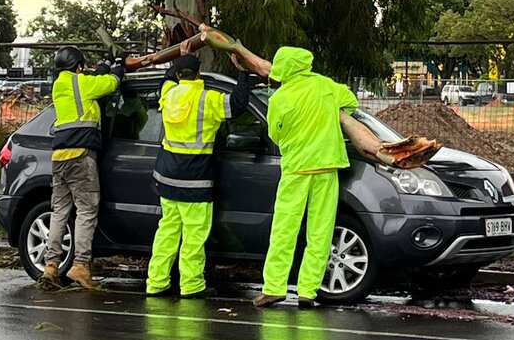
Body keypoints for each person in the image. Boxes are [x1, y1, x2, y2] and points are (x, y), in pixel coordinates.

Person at [254, 47, 358, 308]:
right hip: (326, 166)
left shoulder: (280, 97)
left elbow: (275, 134)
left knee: (284, 230)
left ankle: (274, 287)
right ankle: (307, 291)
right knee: (320, 232)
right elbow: (351, 103)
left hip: (297, 169)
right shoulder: (326, 86)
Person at [146, 53, 254, 298]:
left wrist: (180, 57)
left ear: (177, 75)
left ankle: (156, 282)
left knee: (167, 233)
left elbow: (165, 80)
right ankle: (192, 285)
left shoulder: (169, 94)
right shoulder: (208, 99)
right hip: (194, 179)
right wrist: (243, 73)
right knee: (194, 237)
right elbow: (237, 105)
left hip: (166, 177)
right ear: (198, 74)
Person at [42, 46, 124, 290]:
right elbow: (110, 83)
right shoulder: (84, 84)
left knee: (59, 211)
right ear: (79, 66)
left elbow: (90, 80)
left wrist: (104, 65)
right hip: (81, 155)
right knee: (86, 211)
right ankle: (80, 265)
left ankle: (51, 266)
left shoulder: (60, 85)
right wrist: (117, 66)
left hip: (59, 157)